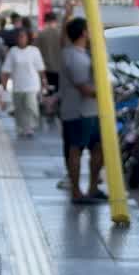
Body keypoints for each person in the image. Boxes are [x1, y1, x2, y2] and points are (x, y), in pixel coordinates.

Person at [59, 18, 107, 202]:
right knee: (76, 150)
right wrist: (105, 93)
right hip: (78, 112)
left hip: (91, 112)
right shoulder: (74, 56)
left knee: (98, 148)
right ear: (84, 33)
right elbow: (84, 88)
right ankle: (76, 191)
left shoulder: (81, 53)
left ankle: (93, 188)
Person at [1, 28, 45, 138]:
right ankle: (21, 128)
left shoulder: (34, 51)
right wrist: (4, 86)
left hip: (32, 85)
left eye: (23, 36)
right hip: (18, 85)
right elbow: (6, 70)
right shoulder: (13, 51)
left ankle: (30, 127)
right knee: (19, 109)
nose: (21, 39)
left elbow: (40, 68)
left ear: (28, 38)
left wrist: (44, 81)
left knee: (31, 106)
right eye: (19, 36)